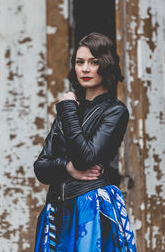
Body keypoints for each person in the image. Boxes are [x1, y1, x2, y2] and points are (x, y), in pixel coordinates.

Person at [33, 32, 136, 251]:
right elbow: (41, 168)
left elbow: (85, 158)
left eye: (94, 62)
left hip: (90, 208)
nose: (85, 69)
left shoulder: (115, 111)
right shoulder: (70, 107)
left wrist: (68, 110)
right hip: (57, 209)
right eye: (80, 62)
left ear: (106, 65)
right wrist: (67, 168)